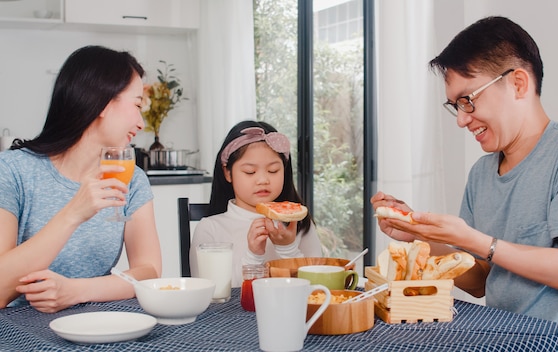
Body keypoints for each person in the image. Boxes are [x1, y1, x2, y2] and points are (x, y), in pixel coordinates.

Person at [371, 16, 558, 351]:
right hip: (503, 340)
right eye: (455, 106)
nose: (461, 119)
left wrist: (474, 239)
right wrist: (422, 234)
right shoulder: (481, 173)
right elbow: (479, 282)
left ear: (518, 83)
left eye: (468, 100)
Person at [0, 46, 162, 313]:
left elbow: (149, 271)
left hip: (96, 321)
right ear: (103, 103)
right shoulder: (13, 171)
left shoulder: (131, 179)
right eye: (136, 105)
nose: (141, 122)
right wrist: (74, 213)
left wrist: (76, 291)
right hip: (20, 330)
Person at [190, 120, 322, 286]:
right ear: (228, 172)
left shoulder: (299, 224)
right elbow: (210, 295)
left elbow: (319, 288)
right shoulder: (210, 228)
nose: (263, 180)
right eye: (250, 172)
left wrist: (287, 249)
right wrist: (253, 255)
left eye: (273, 170)